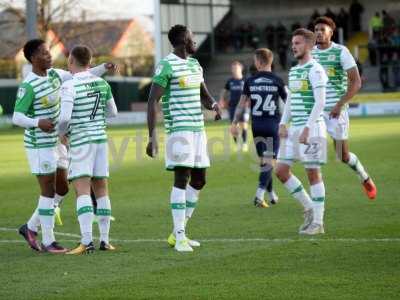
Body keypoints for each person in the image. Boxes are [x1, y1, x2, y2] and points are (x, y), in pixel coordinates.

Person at [13, 39, 112, 253]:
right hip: (39, 144)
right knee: (48, 190)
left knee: (63, 187)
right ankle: (48, 241)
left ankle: (30, 227)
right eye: (43, 53)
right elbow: (17, 116)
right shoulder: (28, 85)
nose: (49, 56)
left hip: (57, 141)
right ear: (32, 58)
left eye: (49, 52)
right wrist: (37, 122)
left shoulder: (56, 75)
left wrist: (104, 67)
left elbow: (83, 76)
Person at [146, 25, 222, 252]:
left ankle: (178, 232)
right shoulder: (166, 65)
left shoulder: (194, 64)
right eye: (192, 37)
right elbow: (152, 101)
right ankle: (179, 236)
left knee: (199, 180)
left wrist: (214, 105)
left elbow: (203, 93)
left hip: (198, 130)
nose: (195, 41)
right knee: (182, 178)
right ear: (182, 41)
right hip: (179, 130)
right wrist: (152, 136)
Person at [57, 45, 118, 254]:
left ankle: (86, 241)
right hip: (100, 139)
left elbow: (64, 118)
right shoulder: (102, 83)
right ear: (89, 62)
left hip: (81, 141)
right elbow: (113, 113)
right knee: (101, 188)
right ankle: (105, 241)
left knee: (82, 189)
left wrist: (61, 133)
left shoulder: (69, 86)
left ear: (71, 62)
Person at [312, 17, 377, 199]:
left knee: (343, 155)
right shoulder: (310, 53)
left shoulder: (341, 52)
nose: (318, 32)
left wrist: (339, 104)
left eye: (322, 29)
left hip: (336, 112)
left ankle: (364, 177)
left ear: (331, 33)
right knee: (313, 155)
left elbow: (355, 82)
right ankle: (317, 201)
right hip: (315, 112)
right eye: (316, 29)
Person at [275, 28, 328, 235]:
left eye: (297, 43)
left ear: (308, 45)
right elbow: (290, 100)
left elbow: (321, 102)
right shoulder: (295, 70)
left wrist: (307, 127)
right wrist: (283, 122)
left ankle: (318, 222)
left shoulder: (315, 70)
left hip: (312, 128)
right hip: (294, 128)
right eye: (293, 43)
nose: (293, 46)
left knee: (313, 173)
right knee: (280, 170)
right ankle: (308, 207)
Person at [231, 48, 287, 207]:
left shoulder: (250, 81)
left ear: (259, 62)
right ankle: (259, 194)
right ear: (270, 62)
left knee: (265, 162)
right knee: (269, 162)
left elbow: (241, 105)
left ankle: (271, 194)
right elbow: (288, 103)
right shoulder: (277, 81)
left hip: (256, 126)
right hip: (272, 125)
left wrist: (234, 122)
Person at [219, 61, 249, 152]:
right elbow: (224, 91)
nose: (234, 70)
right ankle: (237, 145)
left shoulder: (245, 80)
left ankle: (244, 143)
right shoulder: (230, 81)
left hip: (243, 106)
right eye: (233, 68)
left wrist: (249, 100)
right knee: (233, 126)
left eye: (236, 68)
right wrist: (221, 100)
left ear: (241, 69)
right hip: (232, 107)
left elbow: (250, 92)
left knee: (243, 124)